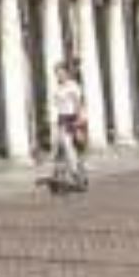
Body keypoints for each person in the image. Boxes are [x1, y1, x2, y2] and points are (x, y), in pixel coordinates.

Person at [50, 60, 89, 191]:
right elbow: (56, 105)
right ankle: (73, 174)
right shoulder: (57, 87)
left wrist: (78, 120)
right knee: (64, 146)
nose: (59, 75)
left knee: (77, 148)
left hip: (73, 117)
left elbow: (77, 103)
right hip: (62, 119)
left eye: (60, 72)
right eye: (57, 73)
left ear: (66, 73)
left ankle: (79, 174)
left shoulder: (72, 86)